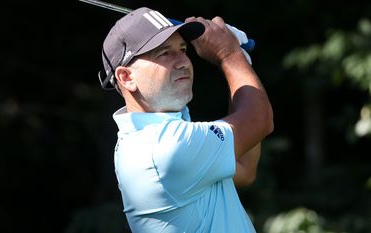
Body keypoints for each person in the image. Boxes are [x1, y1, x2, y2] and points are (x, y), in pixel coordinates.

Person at [98, 6, 274, 233]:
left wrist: (239, 64)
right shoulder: (163, 148)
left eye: (182, 49)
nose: (183, 61)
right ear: (126, 77)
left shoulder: (157, 137)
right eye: (164, 53)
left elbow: (245, 168)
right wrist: (229, 55)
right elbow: (259, 122)